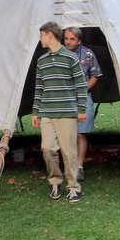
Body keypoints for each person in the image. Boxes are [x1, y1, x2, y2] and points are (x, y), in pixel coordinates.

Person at [31, 21, 87, 203]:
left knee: (69, 152)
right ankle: (55, 181)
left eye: (41, 35)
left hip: (66, 112)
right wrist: (35, 111)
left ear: (49, 35)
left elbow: (80, 85)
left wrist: (82, 108)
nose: (40, 39)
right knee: (47, 149)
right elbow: (39, 87)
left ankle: (73, 187)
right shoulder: (41, 61)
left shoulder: (71, 58)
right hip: (46, 112)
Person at [63, 27, 102, 182]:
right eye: (66, 38)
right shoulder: (58, 54)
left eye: (72, 39)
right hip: (63, 98)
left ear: (79, 41)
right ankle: (68, 165)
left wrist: (83, 89)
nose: (68, 42)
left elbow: (95, 75)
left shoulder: (88, 54)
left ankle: (79, 167)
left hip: (83, 97)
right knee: (66, 134)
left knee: (80, 134)